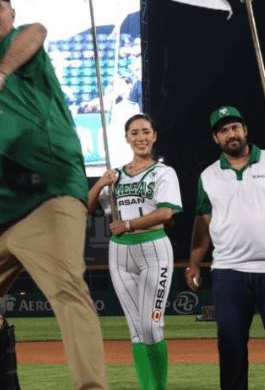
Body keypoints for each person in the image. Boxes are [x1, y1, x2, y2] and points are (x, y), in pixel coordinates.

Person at [0, 0, 108, 390]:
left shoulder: (20, 52)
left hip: (45, 195)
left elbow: (36, 33)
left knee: (67, 289)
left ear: (12, 14)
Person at [186, 106, 265, 390]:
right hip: (228, 270)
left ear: (245, 130)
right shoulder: (208, 175)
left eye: (235, 127)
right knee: (231, 345)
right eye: (223, 130)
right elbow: (203, 222)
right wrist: (194, 262)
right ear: (216, 138)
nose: (231, 134)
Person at [86, 113, 181, 390]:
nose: (141, 137)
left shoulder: (164, 172)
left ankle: (158, 387)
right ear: (127, 138)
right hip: (120, 254)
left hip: (154, 248)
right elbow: (89, 209)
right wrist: (100, 184)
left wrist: (127, 223)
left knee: (151, 327)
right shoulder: (115, 176)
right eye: (134, 133)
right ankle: (148, 388)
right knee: (137, 331)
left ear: (154, 136)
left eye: (146, 132)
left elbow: (165, 212)